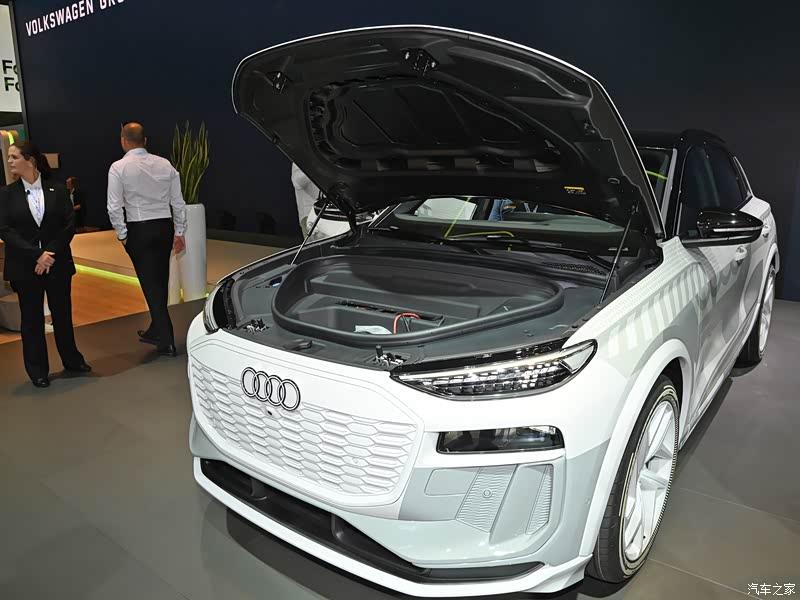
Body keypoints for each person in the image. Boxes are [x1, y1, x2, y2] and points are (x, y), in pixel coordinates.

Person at [0, 141, 91, 387]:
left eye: (14, 157)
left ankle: (72, 360)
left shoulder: (58, 190)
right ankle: (38, 370)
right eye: (9, 157)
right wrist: (36, 255)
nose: (9, 161)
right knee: (31, 320)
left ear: (30, 160)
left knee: (62, 315)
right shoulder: (7, 194)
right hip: (25, 266)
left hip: (57, 263)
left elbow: (68, 225)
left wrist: (49, 253)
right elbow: (5, 230)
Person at [107, 123, 186, 357]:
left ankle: (166, 339)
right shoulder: (165, 164)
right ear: (145, 140)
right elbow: (178, 202)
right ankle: (155, 329)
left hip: (139, 229)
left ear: (123, 140)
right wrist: (179, 231)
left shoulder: (118, 167)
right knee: (160, 279)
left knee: (150, 284)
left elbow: (114, 206)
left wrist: (122, 234)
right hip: (164, 227)